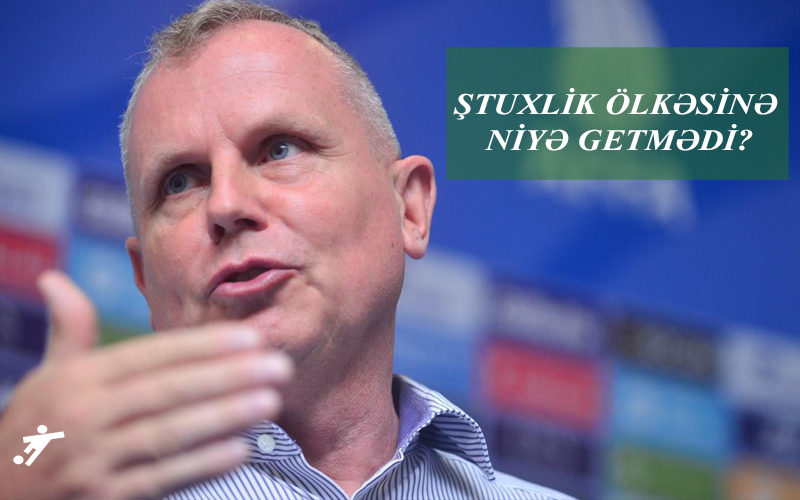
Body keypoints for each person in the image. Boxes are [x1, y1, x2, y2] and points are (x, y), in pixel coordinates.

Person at [0, 1, 572, 499]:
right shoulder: (41, 482)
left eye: (279, 149)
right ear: (145, 281)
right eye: (179, 182)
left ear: (409, 209)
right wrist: (20, 465)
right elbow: (28, 458)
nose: (226, 204)